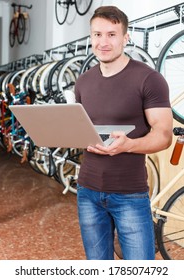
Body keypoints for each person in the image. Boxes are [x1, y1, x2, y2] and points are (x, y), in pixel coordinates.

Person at [74, 5, 173, 260]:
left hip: (130, 193)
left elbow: (164, 135)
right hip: (87, 192)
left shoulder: (148, 79)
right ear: (90, 37)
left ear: (125, 37)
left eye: (111, 34)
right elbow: (84, 128)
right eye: (97, 35)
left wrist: (127, 145)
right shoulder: (83, 82)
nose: (103, 42)